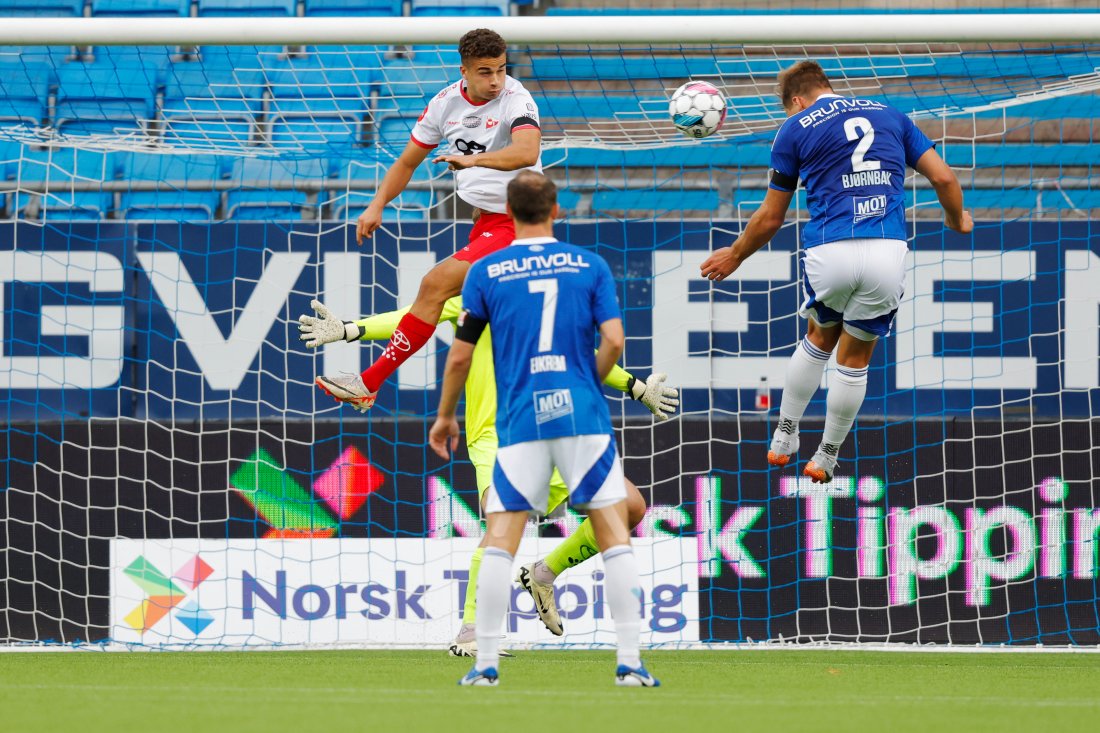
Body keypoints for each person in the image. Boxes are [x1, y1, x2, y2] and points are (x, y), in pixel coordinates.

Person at [298, 295, 678, 656]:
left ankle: (544, 574)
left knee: (628, 507)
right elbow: (414, 317)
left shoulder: (546, 293)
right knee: (503, 520)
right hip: (499, 433)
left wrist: (636, 386)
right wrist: (351, 330)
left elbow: (581, 352)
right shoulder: (476, 287)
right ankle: (472, 632)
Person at [428, 171, 659, 687]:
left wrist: (446, 416)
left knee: (502, 534)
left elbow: (460, 355)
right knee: (614, 530)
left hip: (520, 417)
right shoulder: (589, 266)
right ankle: (629, 663)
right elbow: (615, 341)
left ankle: (485, 664)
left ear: (507, 215)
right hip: (579, 414)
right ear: (558, 211)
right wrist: (586, 382)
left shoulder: (486, 271)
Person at [700, 60, 973, 484]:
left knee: (819, 336)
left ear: (795, 100)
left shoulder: (794, 128)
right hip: (886, 249)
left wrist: (736, 255)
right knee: (856, 357)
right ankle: (826, 455)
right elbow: (943, 178)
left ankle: (785, 433)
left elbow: (771, 218)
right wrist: (957, 219)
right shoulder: (890, 116)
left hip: (831, 249)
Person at [315, 27, 542, 412]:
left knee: (435, 285)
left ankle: (367, 383)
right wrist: (377, 203)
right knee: (492, 312)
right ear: (464, 72)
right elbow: (407, 161)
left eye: (502, 70)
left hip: (521, 221)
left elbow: (525, 151)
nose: (496, 81)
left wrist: (472, 159)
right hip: (488, 222)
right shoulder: (444, 104)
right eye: (486, 72)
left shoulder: (516, 99)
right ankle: (627, 388)